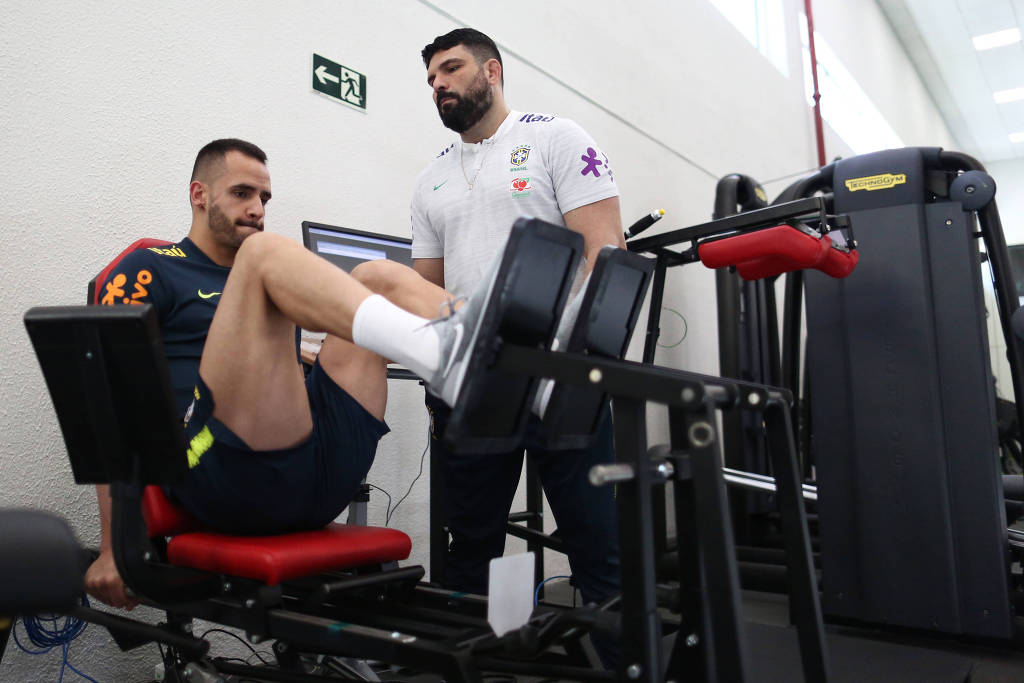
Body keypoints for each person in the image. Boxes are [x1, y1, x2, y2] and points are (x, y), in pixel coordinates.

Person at [86, 138, 500, 608]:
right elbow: (107, 399)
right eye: (242, 193)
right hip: (217, 467)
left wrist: (308, 354)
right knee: (262, 255)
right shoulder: (153, 268)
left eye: (264, 198)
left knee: (376, 277)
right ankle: (436, 347)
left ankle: (494, 347)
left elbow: (272, 364)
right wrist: (113, 544)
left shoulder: (270, 281)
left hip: (319, 478)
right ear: (198, 194)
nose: (257, 208)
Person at [411, 29, 625, 615]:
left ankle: (623, 662)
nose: (440, 85)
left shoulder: (556, 138)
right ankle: (482, 662)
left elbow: (604, 252)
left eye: (451, 69)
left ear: (493, 71)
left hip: (561, 374)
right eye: (431, 79)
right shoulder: (430, 179)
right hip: (474, 381)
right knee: (472, 545)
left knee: (595, 544)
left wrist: (572, 357)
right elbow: (426, 288)